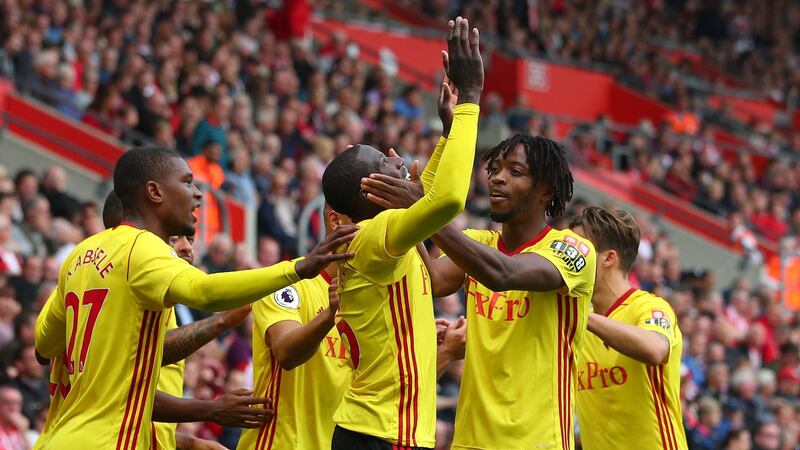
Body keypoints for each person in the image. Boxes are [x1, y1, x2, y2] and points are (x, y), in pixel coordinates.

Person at [34, 147, 357, 449]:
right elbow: (203, 291)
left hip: (62, 435)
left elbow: (44, 345)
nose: (199, 193)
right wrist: (298, 268)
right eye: (187, 183)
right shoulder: (144, 250)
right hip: (112, 440)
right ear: (155, 192)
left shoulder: (81, 254)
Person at [361, 135, 595, 450]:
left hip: (536, 442)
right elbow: (430, 280)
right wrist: (406, 216)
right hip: (469, 440)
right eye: (495, 169)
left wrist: (423, 210)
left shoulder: (572, 249)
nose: (498, 177)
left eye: (515, 171)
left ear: (546, 191)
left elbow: (503, 273)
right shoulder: (477, 243)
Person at [321, 17, 483, 450]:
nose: (397, 157)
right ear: (371, 191)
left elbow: (424, 198)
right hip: (382, 432)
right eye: (384, 161)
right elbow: (443, 202)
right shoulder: (373, 236)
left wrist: (448, 134)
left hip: (378, 430)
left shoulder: (379, 234)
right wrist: (470, 101)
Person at [569, 206, 687, 450]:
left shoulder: (649, 307)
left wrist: (582, 316)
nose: (569, 257)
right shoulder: (574, 327)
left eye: (579, 248)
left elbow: (655, 349)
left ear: (609, 258)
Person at [237, 204, 352, 450]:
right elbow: (286, 353)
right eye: (375, 219)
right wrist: (330, 315)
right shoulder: (287, 283)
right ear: (336, 221)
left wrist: (444, 353)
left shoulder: (374, 299)